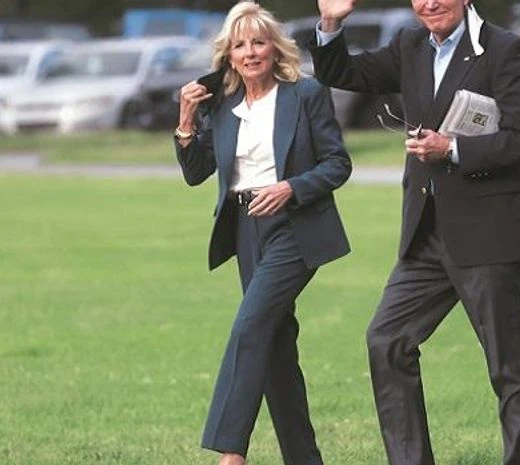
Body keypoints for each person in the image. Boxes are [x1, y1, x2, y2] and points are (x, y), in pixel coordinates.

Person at [309, 1, 520, 464]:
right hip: (425, 237)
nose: (429, 2)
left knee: (509, 373)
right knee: (387, 341)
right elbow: (342, 71)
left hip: (489, 236)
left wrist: (453, 149)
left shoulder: (504, 50)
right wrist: (330, 23)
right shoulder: (409, 46)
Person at [173, 3, 351, 465]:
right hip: (244, 231)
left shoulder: (306, 94)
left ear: (274, 47)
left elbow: (338, 164)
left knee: (250, 327)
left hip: (295, 229)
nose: (250, 52)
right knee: (273, 346)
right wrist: (187, 122)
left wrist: (291, 188)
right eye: (240, 45)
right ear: (228, 55)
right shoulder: (224, 105)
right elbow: (197, 173)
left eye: (258, 42)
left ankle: (230, 453)